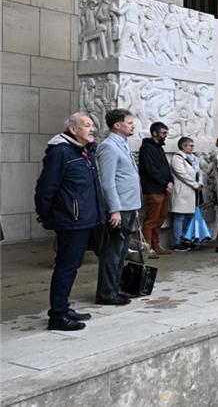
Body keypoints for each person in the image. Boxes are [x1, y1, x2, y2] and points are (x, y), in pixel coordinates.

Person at [35, 112, 107, 330]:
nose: (92, 129)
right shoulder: (61, 152)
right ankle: (57, 316)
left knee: (72, 266)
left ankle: (63, 307)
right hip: (71, 220)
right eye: (86, 125)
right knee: (66, 267)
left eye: (92, 125)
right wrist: (48, 217)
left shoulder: (84, 151)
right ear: (73, 129)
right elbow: (45, 188)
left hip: (87, 219)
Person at [96, 108, 141, 306]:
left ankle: (116, 287)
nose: (133, 126)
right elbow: (107, 182)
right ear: (117, 125)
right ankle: (107, 294)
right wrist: (114, 209)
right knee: (113, 253)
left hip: (128, 206)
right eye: (130, 123)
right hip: (119, 208)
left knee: (122, 252)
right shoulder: (108, 147)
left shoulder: (122, 144)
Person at [138, 121, 173, 257]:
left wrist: (170, 181)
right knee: (151, 220)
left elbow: (165, 167)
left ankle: (156, 245)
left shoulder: (159, 147)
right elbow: (150, 170)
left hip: (163, 189)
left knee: (160, 218)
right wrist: (165, 183)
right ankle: (148, 248)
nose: (165, 135)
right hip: (153, 190)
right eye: (163, 133)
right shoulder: (147, 148)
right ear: (154, 133)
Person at [169, 137, 202, 251]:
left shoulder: (194, 158)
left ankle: (187, 238)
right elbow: (182, 174)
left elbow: (199, 172)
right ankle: (178, 242)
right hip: (182, 192)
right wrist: (195, 185)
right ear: (183, 146)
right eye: (191, 145)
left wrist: (200, 183)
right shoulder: (177, 158)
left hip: (193, 192)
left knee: (190, 216)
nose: (193, 147)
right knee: (180, 216)